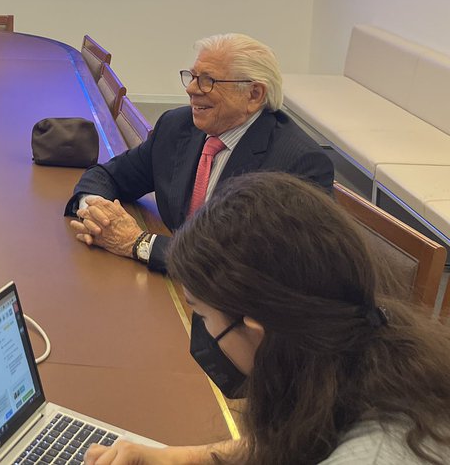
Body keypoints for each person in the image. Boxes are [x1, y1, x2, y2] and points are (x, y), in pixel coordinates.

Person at [85, 171, 450, 465]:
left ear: (255, 329)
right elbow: (294, 441)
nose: (201, 330)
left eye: (200, 312)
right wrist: (169, 458)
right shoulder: (367, 352)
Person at [65, 33, 332, 271]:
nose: (191, 89)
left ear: (254, 95)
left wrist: (139, 244)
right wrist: (95, 212)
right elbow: (108, 175)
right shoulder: (177, 126)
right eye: (192, 77)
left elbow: (256, 265)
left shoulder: (298, 163)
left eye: (208, 81)